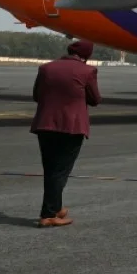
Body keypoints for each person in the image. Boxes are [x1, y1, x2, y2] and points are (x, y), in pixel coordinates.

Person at [31, 39, 102, 226]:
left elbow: (36, 96)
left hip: (45, 125)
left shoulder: (46, 68)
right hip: (71, 127)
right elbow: (95, 99)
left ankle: (56, 207)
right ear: (87, 55)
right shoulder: (88, 71)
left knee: (51, 169)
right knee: (61, 171)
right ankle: (48, 215)